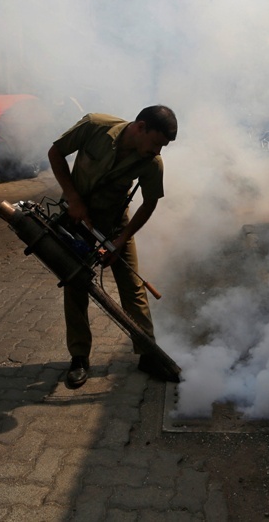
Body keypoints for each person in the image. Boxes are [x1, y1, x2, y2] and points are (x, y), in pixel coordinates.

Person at [47, 105, 178, 388]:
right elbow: (55, 153)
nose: (158, 151)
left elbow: (150, 203)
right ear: (140, 127)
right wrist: (73, 198)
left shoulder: (152, 162)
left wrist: (121, 240)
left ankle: (148, 353)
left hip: (116, 224)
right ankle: (79, 357)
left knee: (132, 287)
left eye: (163, 147)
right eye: (156, 143)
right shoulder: (95, 126)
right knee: (75, 284)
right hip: (76, 218)